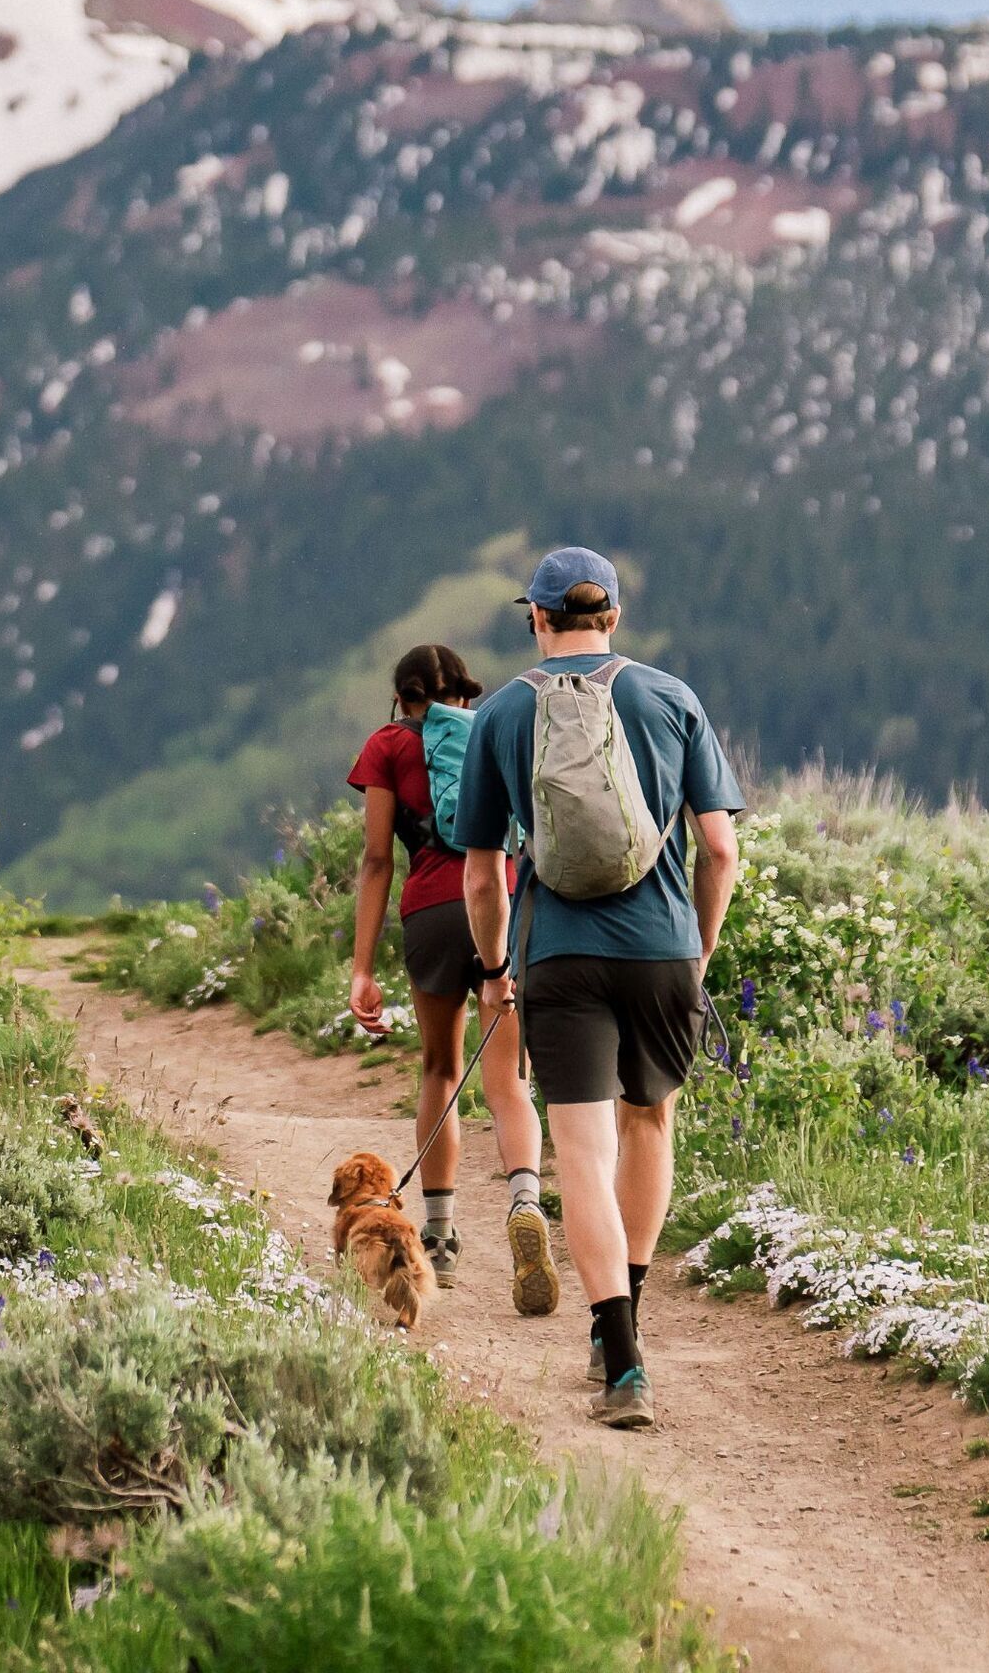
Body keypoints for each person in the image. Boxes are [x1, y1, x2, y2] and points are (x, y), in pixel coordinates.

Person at [450, 547, 742, 1431]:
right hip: (662, 950)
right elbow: (720, 848)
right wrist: (696, 953)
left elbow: (481, 874)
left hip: (560, 958)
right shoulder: (672, 698)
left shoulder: (501, 713)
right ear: (612, 615)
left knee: (580, 1149)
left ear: (537, 619)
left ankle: (621, 1363)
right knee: (648, 1122)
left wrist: (494, 971)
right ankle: (631, 1309)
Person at [344, 642, 556, 1313]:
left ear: (400, 698)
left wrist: (362, 968)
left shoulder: (387, 746)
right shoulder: (498, 732)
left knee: (440, 1069)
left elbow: (377, 860)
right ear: (466, 693)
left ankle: (438, 1237)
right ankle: (526, 1201)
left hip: (432, 911)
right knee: (509, 1079)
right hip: (505, 901)